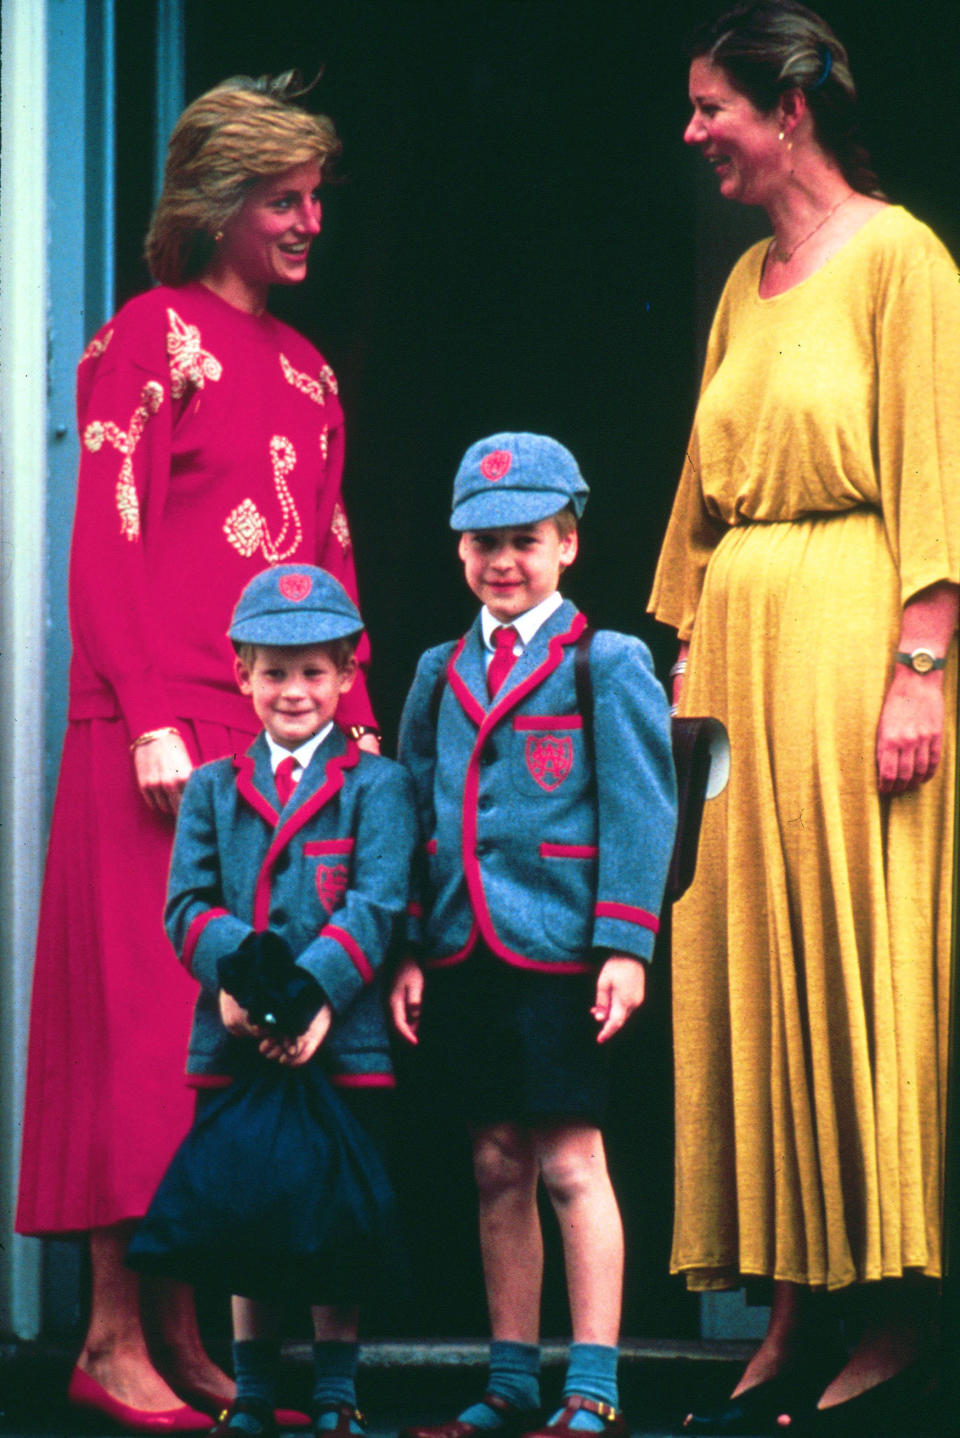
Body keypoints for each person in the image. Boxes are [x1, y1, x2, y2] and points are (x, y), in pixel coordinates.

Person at [16, 73, 380, 1432]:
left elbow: (330, 558)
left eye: (315, 198)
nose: (309, 221)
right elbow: (103, 544)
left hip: (264, 740)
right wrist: (149, 714)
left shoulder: (310, 371)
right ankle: (111, 1333)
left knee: (210, 1046)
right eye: (285, 198)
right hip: (153, 728)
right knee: (131, 1023)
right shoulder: (149, 339)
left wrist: (354, 725)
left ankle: (178, 1327)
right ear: (222, 202)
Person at [649, 2, 960, 1432]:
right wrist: (682, 646)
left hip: (853, 640)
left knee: (857, 956)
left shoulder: (903, 261)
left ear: (792, 113)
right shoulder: (746, 280)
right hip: (740, 656)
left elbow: (938, 469)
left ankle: (888, 1312)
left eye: (716, 106)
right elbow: (700, 494)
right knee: (752, 960)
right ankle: (786, 1308)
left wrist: (922, 663)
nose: (698, 131)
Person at [391, 433, 676, 1438]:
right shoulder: (437, 670)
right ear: (459, 551)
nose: (501, 562)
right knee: (496, 1164)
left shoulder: (608, 660)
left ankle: (590, 1382)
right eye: (481, 543)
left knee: (568, 1162)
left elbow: (642, 810)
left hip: (563, 955)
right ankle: (510, 1379)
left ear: (568, 545)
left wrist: (625, 945)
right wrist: (413, 945)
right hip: (466, 950)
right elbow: (417, 812)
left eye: (523, 540)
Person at [160, 563, 416, 1438]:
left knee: (330, 1217)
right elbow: (187, 906)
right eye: (274, 670)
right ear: (242, 674)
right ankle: (256, 1391)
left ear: (348, 675)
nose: (294, 691)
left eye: (314, 672)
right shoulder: (211, 788)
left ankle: (339, 1392)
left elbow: (377, 904)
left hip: (339, 1036)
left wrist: (311, 1003)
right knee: (248, 1215)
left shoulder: (379, 787)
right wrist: (242, 993)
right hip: (234, 1032)